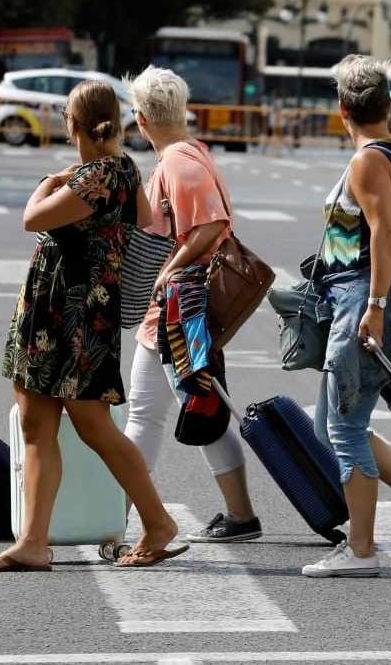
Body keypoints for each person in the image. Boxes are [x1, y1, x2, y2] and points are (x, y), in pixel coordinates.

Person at [0, 80, 186, 571]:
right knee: (67, 426)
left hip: (62, 312)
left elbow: (33, 219)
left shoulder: (93, 177)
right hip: (90, 312)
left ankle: (148, 523)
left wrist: (50, 182)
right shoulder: (123, 169)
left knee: (54, 428)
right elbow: (141, 217)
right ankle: (38, 540)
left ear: (72, 124)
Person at [300, 55, 391, 579]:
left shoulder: (368, 161)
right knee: (332, 422)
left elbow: (384, 232)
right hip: (366, 293)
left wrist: (376, 307)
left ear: (342, 110)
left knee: (343, 427)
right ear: (388, 105)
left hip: (366, 296)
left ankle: (362, 551)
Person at [123, 65, 264, 544]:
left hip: (180, 308)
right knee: (196, 407)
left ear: (141, 119)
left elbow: (210, 226)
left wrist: (165, 273)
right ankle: (239, 514)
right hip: (174, 308)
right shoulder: (185, 154)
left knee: (162, 412)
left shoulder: (179, 162)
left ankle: (118, 514)